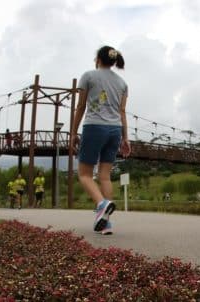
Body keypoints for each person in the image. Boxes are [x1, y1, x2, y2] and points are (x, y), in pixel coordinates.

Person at [72, 45, 130, 235]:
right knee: (104, 176)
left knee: (84, 174)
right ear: (114, 61)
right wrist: (125, 138)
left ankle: (102, 204)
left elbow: (80, 106)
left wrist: (73, 133)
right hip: (115, 130)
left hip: (94, 127)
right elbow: (122, 112)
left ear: (98, 58)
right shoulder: (122, 83)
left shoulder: (88, 76)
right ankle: (105, 223)